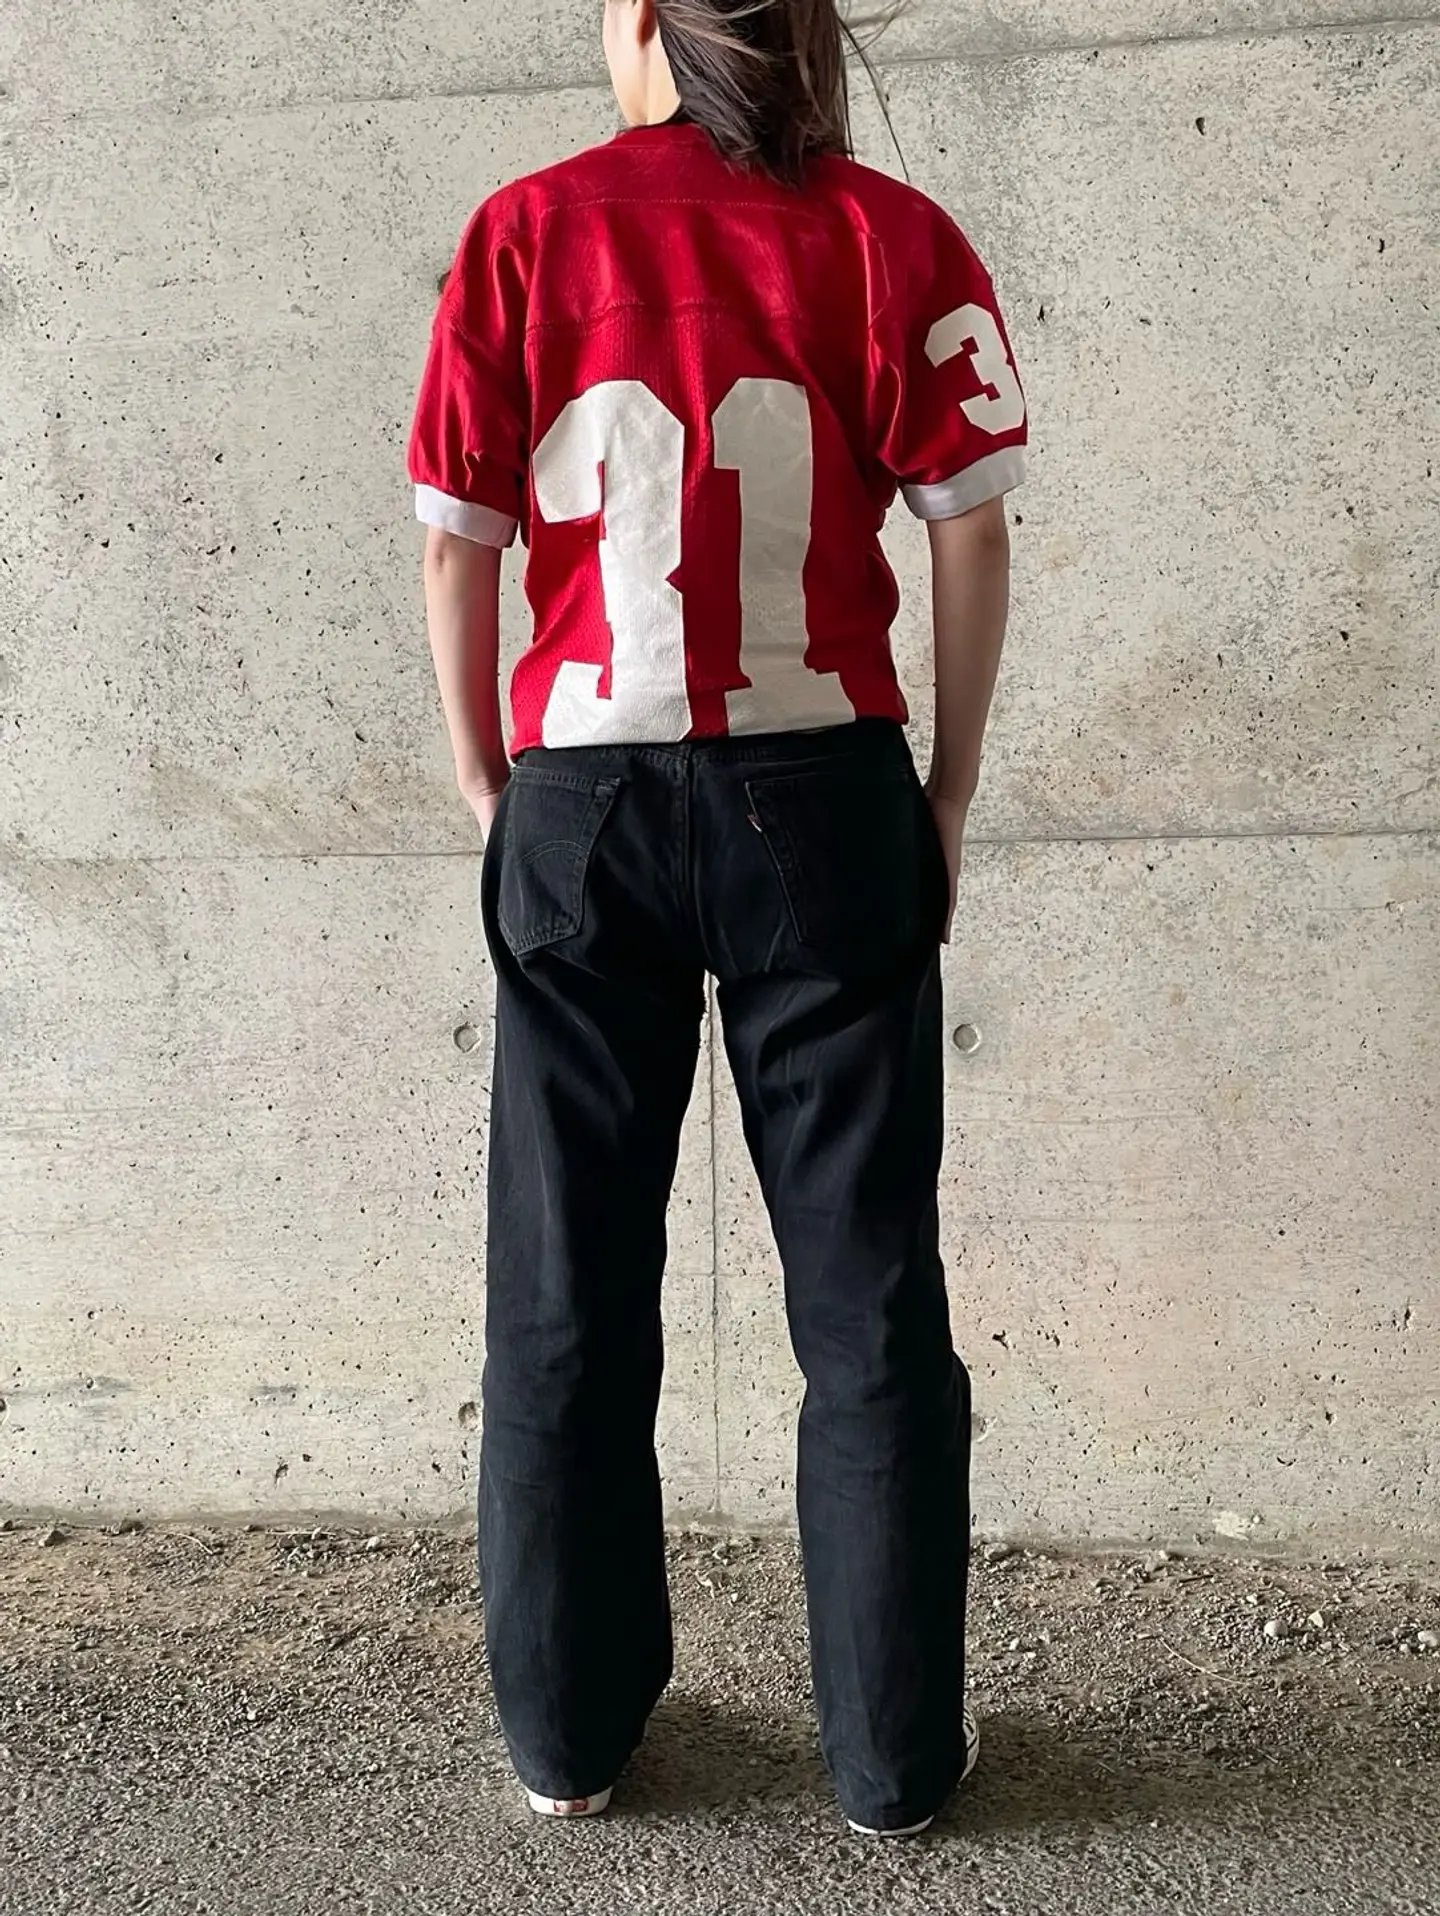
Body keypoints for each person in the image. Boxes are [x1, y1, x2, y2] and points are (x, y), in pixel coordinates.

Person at [408, 0, 1026, 1840]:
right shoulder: (888, 234)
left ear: (640, 25)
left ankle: (568, 1739)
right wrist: (945, 794)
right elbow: (971, 529)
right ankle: (892, 1763)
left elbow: (456, 539)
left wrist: (488, 783)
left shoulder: (525, 230)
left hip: (582, 795)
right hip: (822, 789)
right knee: (866, 1294)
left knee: (564, 1290)